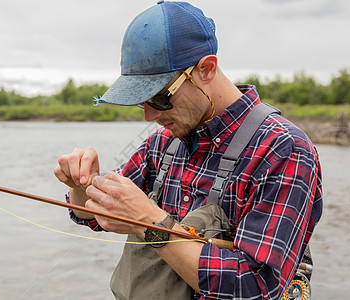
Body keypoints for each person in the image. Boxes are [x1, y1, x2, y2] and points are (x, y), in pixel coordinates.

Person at [54, 1, 323, 299]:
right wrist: (81, 185)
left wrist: (149, 222)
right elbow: (91, 216)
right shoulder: (161, 143)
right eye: (141, 101)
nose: (149, 115)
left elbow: (256, 288)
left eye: (159, 98)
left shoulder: (284, 150)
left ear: (206, 70)